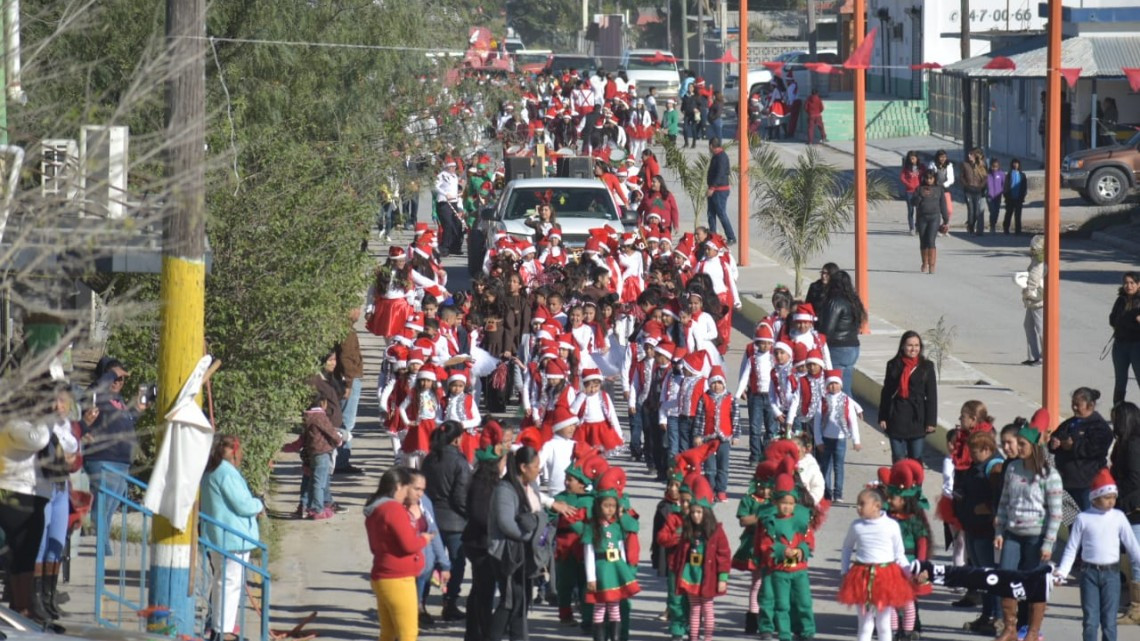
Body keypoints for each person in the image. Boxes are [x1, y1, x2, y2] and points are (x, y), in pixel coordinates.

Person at [993, 418, 1061, 641]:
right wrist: (999, 532)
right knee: (1006, 579)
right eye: (1017, 443)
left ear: (1034, 446)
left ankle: (1032, 630)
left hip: (1036, 538)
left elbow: (1056, 513)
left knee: (1034, 585)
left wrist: (1048, 543)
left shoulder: (1049, 475)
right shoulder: (1012, 468)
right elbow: (1004, 503)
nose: (1018, 448)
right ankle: (1010, 627)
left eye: (1022, 444)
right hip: (1012, 534)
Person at [1053, 469, 1140, 641]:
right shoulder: (1083, 518)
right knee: (1091, 621)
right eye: (1107, 497)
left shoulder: (1119, 517)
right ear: (1094, 498)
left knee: (1109, 622)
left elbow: (1132, 546)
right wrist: (1062, 572)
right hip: (1089, 574)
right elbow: (1071, 548)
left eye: (1114, 497)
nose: (1111, 501)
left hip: (1112, 575)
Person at [200, 435, 264, 641]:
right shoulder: (226, 473)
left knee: (222, 583)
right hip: (232, 538)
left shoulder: (211, 471)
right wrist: (259, 504)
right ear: (235, 453)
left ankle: (220, 628)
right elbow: (242, 504)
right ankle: (223, 631)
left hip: (219, 536)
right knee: (230, 584)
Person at [82, 358, 145, 555]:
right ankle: (103, 548)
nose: (117, 382)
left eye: (121, 379)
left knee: (111, 507)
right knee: (103, 505)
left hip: (121, 462)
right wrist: (111, 374)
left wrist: (139, 408)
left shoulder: (119, 401)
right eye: (114, 378)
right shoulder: (96, 396)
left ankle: (104, 544)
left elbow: (126, 419)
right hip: (103, 458)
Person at [487, 446, 550, 641]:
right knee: (509, 601)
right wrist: (531, 536)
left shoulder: (532, 486)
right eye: (536, 466)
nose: (539, 469)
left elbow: (539, 513)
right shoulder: (505, 489)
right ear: (523, 467)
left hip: (526, 553)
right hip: (508, 553)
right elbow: (506, 524)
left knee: (521, 601)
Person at [838, 486, 915, 641]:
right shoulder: (856, 526)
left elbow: (899, 554)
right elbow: (847, 548)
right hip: (861, 576)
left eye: (862, 504)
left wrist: (909, 573)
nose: (858, 508)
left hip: (885, 577)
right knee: (865, 623)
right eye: (857, 504)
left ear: (877, 506)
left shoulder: (891, 526)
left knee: (884, 623)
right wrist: (844, 571)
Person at [365, 466, 431, 641]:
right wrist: (424, 539)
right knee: (408, 634)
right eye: (409, 486)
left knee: (388, 633)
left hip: (382, 575)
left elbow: (374, 547)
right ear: (399, 486)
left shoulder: (376, 508)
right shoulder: (393, 509)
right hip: (398, 578)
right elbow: (409, 545)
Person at [34, 386, 82, 621]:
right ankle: (37, 599)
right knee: (41, 546)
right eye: (56, 402)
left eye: (64, 402)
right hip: (44, 486)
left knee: (57, 544)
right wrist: (66, 456)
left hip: (62, 485)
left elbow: (75, 455)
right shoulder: (45, 425)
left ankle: (50, 598)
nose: (60, 406)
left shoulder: (66, 426)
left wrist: (68, 457)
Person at [953, 430, 1005, 634]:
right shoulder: (978, 466)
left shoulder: (994, 468)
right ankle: (987, 614)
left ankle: (997, 617)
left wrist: (988, 508)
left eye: (974, 451)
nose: (972, 455)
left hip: (985, 530)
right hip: (972, 527)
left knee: (990, 574)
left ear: (986, 449)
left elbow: (1001, 497)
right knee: (981, 575)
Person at [581, 468, 640, 641]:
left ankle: (615, 637)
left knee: (615, 607)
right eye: (606, 506)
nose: (609, 510)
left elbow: (621, 547)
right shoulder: (592, 527)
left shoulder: (617, 525)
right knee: (600, 607)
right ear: (598, 506)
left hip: (615, 568)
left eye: (613, 506)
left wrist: (624, 570)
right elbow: (589, 553)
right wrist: (591, 577)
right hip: (601, 569)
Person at [757, 473, 816, 641]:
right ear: (776, 502)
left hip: (799, 570)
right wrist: (783, 551)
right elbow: (765, 544)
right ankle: (782, 633)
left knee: (804, 602)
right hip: (778, 570)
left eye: (790, 504)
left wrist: (800, 551)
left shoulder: (802, 518)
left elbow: (809, 541)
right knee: (780, 603)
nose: (787, 507)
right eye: (783, 503)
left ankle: (807, 631)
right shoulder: (770, 520)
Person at [421, 421, 470, 621]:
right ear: (457, 438)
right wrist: (470, 514)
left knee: (430, 563)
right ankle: (449, 602)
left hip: (432, 518)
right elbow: (460, 497)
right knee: (456, 563)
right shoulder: (460, 461)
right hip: (455, 521)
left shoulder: (430, 458)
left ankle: (421, 604)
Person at [671, 480, 729, 641]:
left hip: (708, 576)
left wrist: (723, 578)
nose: (695, 515)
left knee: (708, 609)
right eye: (693, 512)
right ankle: (694, 637)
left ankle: (708, 637)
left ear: (707, 513)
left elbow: (724, 555)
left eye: (699, 512)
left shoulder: (716, 532)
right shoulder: (688, 530)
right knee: (694, 609)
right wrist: (677, 570)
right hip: (691, 575)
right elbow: (681, 553)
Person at [879, 460, 930, 641]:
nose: (889, 501)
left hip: (909, 562)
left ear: (904, 500)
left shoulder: (914, 519)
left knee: (909, 599)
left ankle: (910, 629)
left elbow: (922, 542)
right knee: (891, 598)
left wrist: (920, 564)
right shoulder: (886, 517)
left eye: (893, 498)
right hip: (890, 563)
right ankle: (892, 630)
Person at [1049, 387, 1113, 511]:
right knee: (1071, 524)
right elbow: (1055, 438)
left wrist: (1073, 446)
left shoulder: (1099, 427)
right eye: (1073, 404)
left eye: (1078, 405)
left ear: (1090, 405)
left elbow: (1095, 449)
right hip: (1066, 483)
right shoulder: (1069, 423)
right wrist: (1053, 443)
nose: (1074, 408)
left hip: (1087, 484)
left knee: (1088, 521)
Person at [878, 331, 938, 462]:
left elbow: (932, 396)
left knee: (915, 459)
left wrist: (931, 421)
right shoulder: (893, 365)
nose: (913, 349)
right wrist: (882, 416)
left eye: (917, 345)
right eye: (910, 345)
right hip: (896, 416)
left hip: (917, 418)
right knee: (898, 459)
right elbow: (887, 392)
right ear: (902, 346)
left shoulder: (926, 367)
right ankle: (898, 483)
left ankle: (915, 483)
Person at [404, 469, 450, 628]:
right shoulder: (395, 508)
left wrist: (443, 564)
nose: (420, 493)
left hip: (425, 568)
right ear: (404, 487)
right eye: (416, 489)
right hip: (404, 571)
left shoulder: (425, 503)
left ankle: (420, 607)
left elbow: (433, 531)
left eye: (423, 489)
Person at [1109, 402, 1140, 625]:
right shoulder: (1124, 443)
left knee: (1137, 557)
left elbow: (1135, 479)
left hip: (1134, 507)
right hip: (1128, 506)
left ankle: (1137, 608)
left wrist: (1115, 492)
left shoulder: (1133, 446)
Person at [814, 370, 862, 502]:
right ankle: (826, 492)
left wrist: (856, 440)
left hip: (840, 439)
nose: (833, 387)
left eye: (836, 384)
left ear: (840, 385)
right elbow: (817, 422)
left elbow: (852, 421)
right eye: (830, 384)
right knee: (826, 466)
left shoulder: (847, 400)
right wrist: (818, 441)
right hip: (826, 439)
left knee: (838, 466)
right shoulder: (822, 401)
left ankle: (838, 493)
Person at [693, 366, 738, 502]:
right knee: (709, 467)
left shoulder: (730, 399)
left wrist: (735, 435)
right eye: (713, 383)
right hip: (708, 438)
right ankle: (710, 490)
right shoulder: (704, 398)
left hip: (724, 438)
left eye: (719, 383)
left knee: (723, 466)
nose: (716, 386)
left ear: (724, 384)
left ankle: (721, 490)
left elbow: (735, 418)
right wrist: (698, 435)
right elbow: (700, 419)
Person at [818, 270, 865, 396]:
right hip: (853, 348)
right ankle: (851, 413)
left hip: (838, 348)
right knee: (846, 387)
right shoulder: (853, 301)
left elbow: (827, 329)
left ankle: (842, 414)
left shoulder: (835, 302)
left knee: (835, 389)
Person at [737, 323, 777, 463]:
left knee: (771, 428)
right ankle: (755, 455)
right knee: (755, 427)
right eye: (762, 343)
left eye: (768, 343)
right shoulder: (751, 359)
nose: (765, 346)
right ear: (757, 344)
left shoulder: (774, 359)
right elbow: (744, 375)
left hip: (771, 398)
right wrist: (738, 393)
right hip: (755, 397)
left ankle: (768, 454)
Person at [334, 307, 365, 474]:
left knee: (344, 419)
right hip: (350, 380)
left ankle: (341, 459)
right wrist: (348, 383)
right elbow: (346, 359)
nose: (358, 313)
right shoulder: (346, 333)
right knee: (346, 421)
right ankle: (340, 460)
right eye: (355, 309)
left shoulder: (344, 330)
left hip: (349, 379)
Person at [1110, 271, 1140, 405]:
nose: (1129, 286)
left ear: (1138, 284)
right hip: (1120, 345)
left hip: (1136, 345)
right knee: (1120, 380)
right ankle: (1118, 410)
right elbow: (1112, 318)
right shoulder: (1121, 299)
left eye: (1132, 283)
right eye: (1126, 283)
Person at [910, 171, 948, 274]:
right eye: (927, 178)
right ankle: (924, 263)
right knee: (923, 241)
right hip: (922, 218)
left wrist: (946, 219)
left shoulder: (939, 190)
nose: (929, 180)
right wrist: (920, 197)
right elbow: (912, 202)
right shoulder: (919, 189)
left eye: (931, 178)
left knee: (931, 241)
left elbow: (943, 204)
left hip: (934, 218)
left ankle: (932, 265)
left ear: (934, 179)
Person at [1019, 235, 1046, 366]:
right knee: (1028, 325)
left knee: (1041, 328)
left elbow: (1034, 279)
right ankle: (1033, 356)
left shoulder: (1040, 262)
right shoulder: (1037, 260)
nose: (1032, 250)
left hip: (1037, 299)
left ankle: (1043, 357)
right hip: (1033, 298)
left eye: (1034, 248)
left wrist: (1028, 292)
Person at [705, 138, 735, 244]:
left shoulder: (721, 157)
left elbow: (720, 174)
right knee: (711, 213)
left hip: (719, 190)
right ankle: (712, 235)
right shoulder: (716, 156)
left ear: (711, 146)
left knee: (721, 213)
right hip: (714, 190)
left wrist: (712, 187)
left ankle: (731, 237)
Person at [434, 160, 465, 257]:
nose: (453, 169)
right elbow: (435, 186)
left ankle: (455, 246)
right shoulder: (441, 175)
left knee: (457, 224)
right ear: (447, 167)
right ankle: (445, 247)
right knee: (448, 224)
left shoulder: (455, 176)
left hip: (454, 202)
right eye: (451, 167)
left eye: (454, 167)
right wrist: (445, 194)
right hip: (444, 202)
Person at [960, 148, 988, 236]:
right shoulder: (965, 165)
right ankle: (971, 229)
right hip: (968, 191)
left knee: (977, 212)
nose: (969, 156)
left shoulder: (981, 166)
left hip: (978, 191)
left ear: (975, 156)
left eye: (971, 155)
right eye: (968, 155)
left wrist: (981, 186)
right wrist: (966, 185)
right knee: (971, 210)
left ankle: (971, 224)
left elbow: (985, 178)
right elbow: (961, 177)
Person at [928, 149, 955, 227]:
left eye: (944, 157)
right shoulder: (932, 165)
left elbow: (951, 179)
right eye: (941, 157)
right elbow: (929, 175)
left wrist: (944, 184)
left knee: (949, 210)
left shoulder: (949, 165)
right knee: (936, 209)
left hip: (945, 189)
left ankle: (945, 224)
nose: (943, 159)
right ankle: (936, 226)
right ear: (937, 157)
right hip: (934, 189)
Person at [900, 151, 923, 235]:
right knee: (910, 210)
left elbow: (925, 175)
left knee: (919, 210)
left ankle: (918, 227)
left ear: (917, 158)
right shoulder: (906, 168)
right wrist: (908, 184)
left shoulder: (921, 167)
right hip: (909, 191)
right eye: (911, 159)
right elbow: (902, 177)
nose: (912, 160)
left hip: (918, 191)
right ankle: (911, 227)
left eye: (913, 158)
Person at [1003, 159, 1027, 234]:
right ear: (1012, 164)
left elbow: (1024, 187)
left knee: (1018, 215)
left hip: (1019, 199)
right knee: (1008, 214)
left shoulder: (1022, 175)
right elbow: (1006, 186)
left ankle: (1018, 230)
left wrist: (1023, 196)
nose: (1015, 165)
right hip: (1010, 198)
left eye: (1017, 163)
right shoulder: (1009, 175)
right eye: (1014, 163)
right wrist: (1006, 196)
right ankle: (1006, 229)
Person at [985, 158, 1006, 234]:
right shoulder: (987, 175)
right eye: (993, 166)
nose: (994, 168)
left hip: (998, 196)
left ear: (998, 166)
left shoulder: (1001, 174)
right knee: (992, 211)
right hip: (989, 196)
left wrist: (1003, 192)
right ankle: (992, 225)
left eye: (996, 166)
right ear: (990, 166)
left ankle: (994, 223)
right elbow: (984, 184)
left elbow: (1004, 184)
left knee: (996, 212)